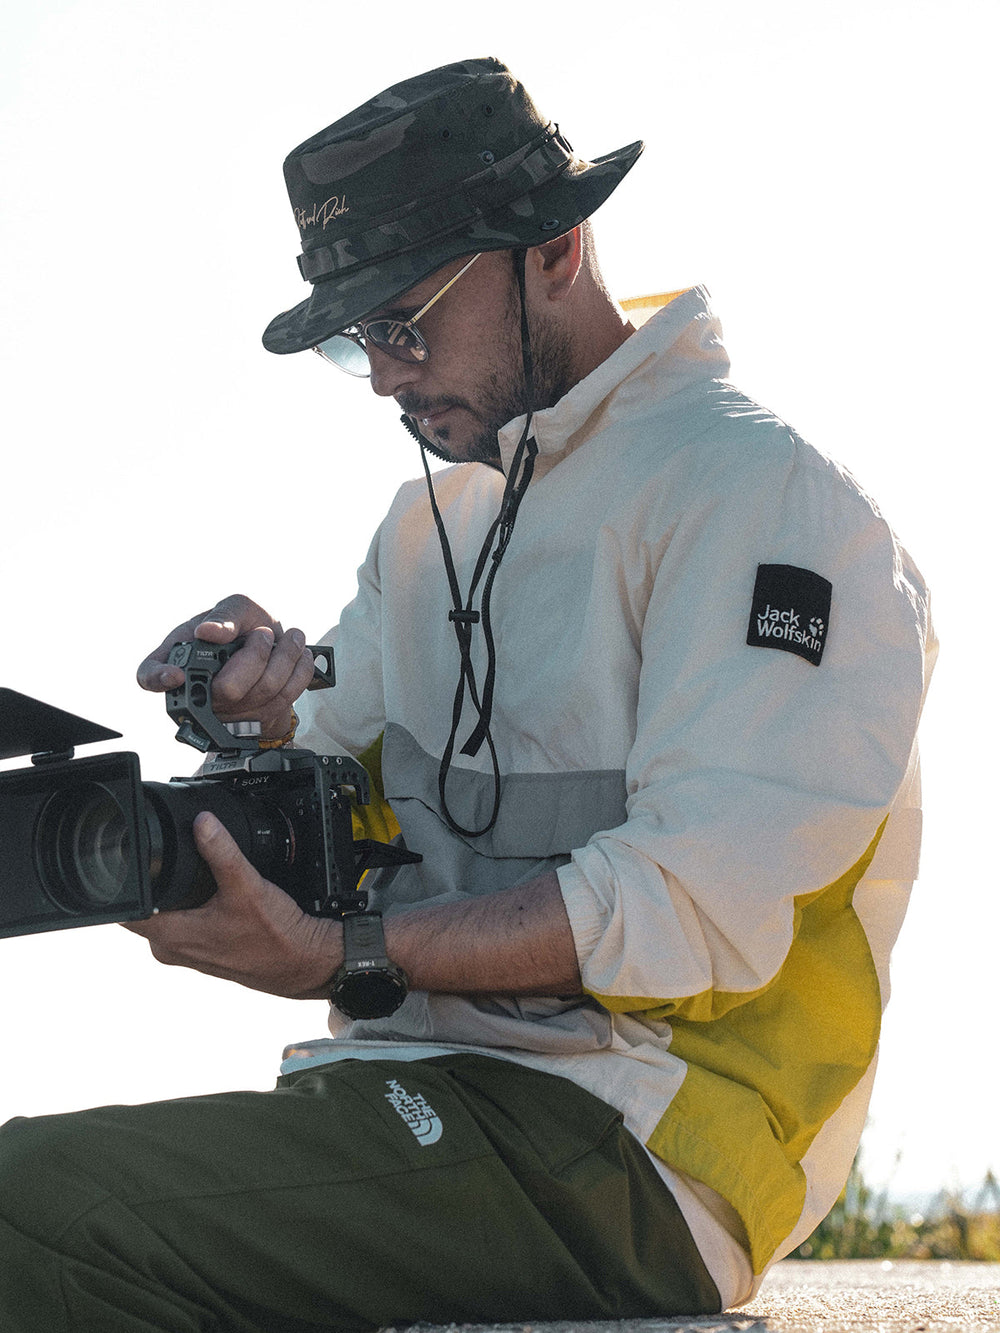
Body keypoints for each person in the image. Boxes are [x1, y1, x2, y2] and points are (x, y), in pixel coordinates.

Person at [0, 57, 935, 1329]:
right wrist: (252, 737)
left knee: (33, 1208)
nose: (384, 373)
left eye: (406, 320)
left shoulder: (765, 502)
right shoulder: (424, 527)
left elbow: (693, 904)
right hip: (401, 1090)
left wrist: (347, 952)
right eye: (358, 338)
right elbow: (333, 826)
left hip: (637, 1146)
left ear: (553, 246)